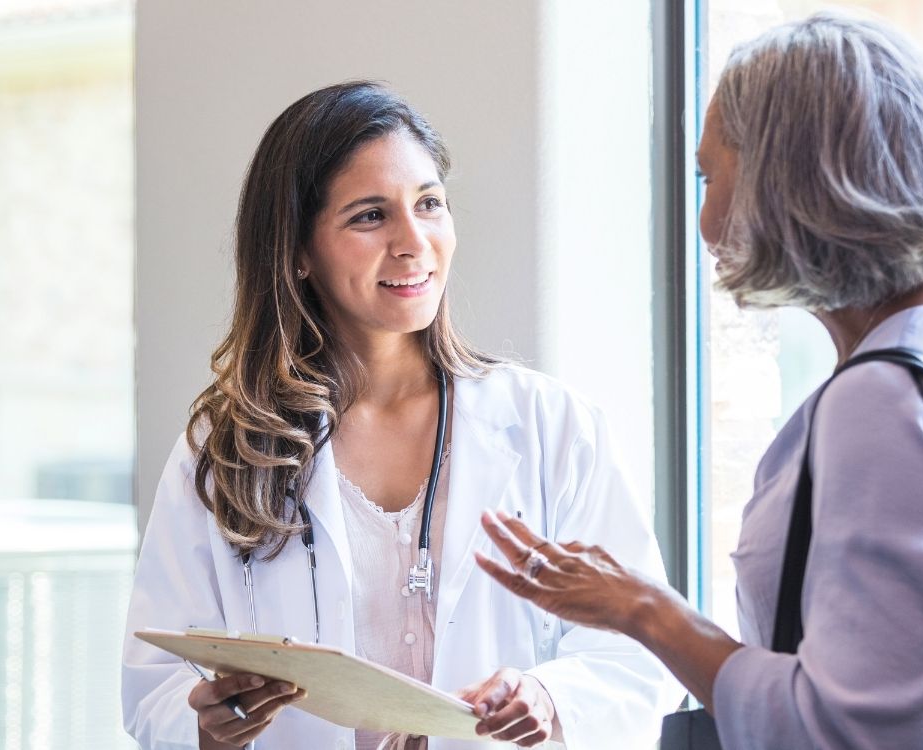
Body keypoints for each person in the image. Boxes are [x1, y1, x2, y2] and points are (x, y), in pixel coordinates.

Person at [121, 81, 682, 750]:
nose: (414, 241)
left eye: (430, 204)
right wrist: (208, 725)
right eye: (369, 216)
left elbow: (640, 655)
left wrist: (551, 697)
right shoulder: (225, 447)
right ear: (298, 252)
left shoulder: (551, 427)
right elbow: (154, 683)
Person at [475, 11, 923, 750]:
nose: (704, 222)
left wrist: (644, 609)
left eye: (710, 177)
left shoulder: (882, 401)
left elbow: (852, 729)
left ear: (791, 179)